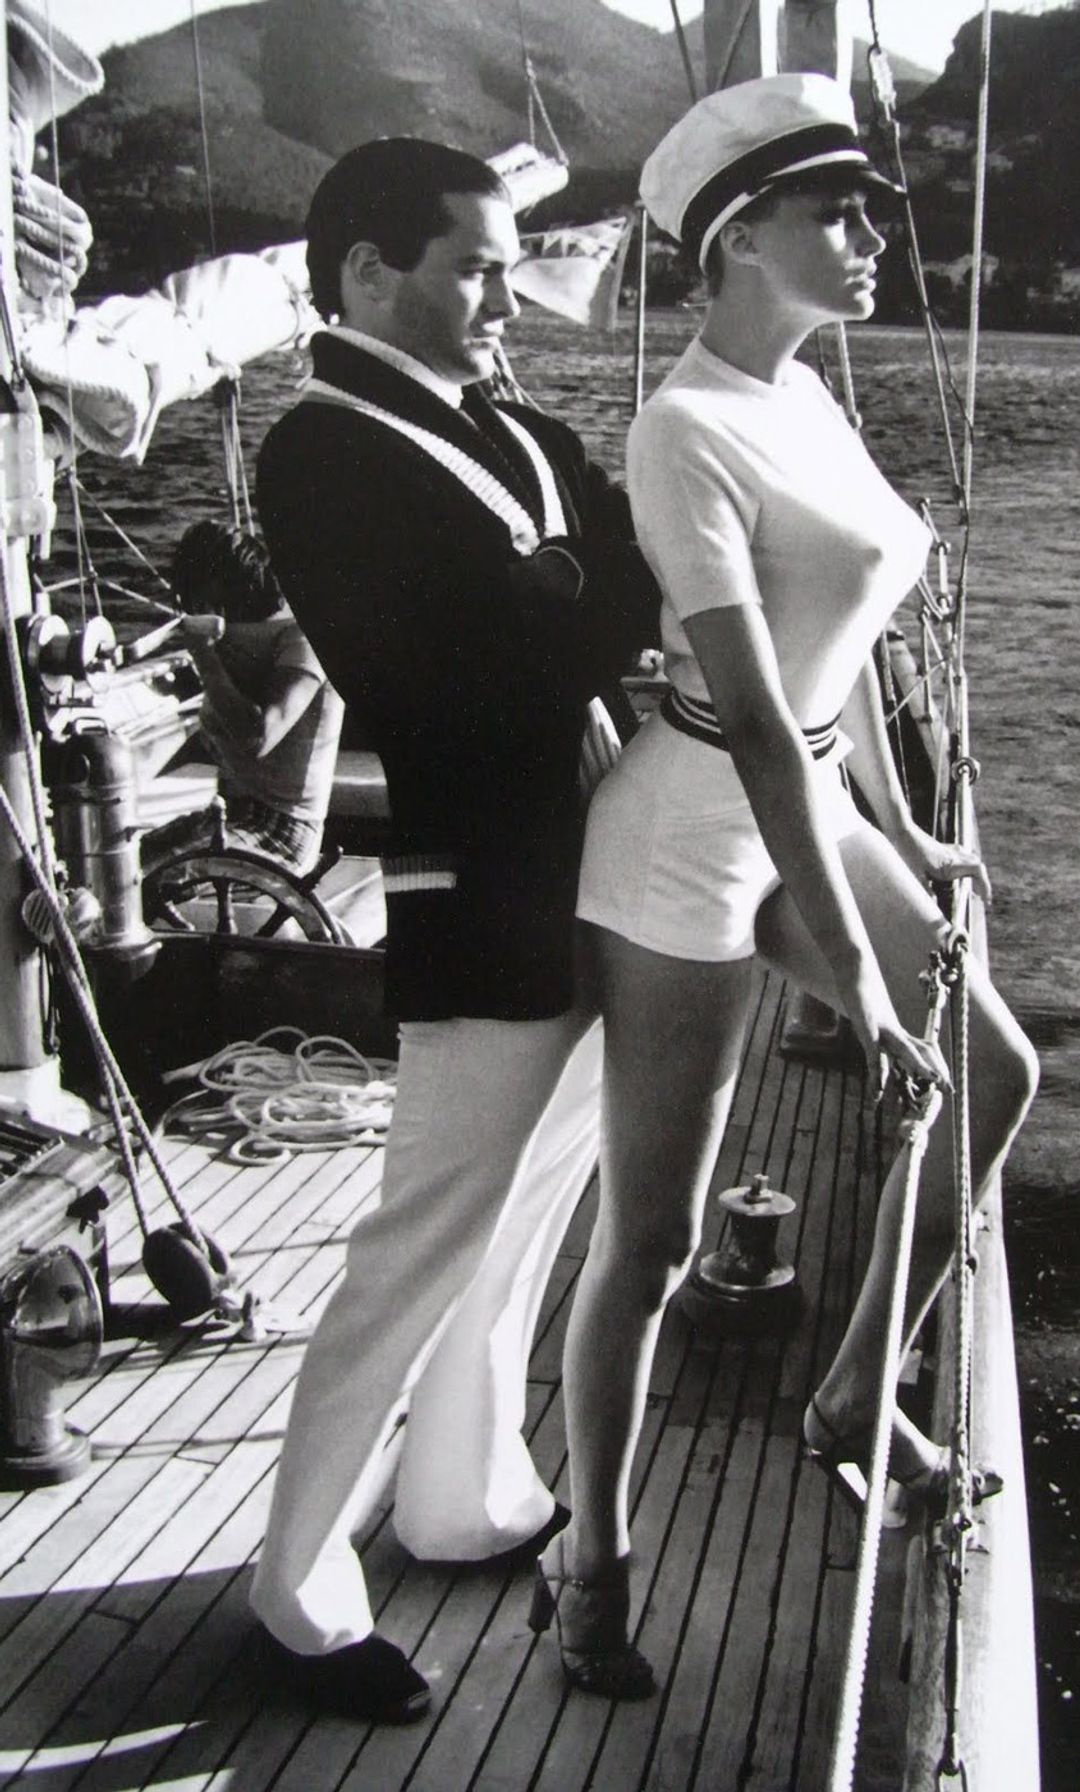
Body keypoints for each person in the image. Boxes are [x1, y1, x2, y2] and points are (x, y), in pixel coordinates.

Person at [536, 75, 1039, 1698]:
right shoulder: (681, 430)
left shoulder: (811, 394)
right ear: (740, 237)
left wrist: (908, 825)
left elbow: (854, 653)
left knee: (992, 1073)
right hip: (691, 830)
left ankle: (851, 1395)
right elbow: (753, 718)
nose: (874, 232)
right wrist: (870, 990)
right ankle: (596, 1560)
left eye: (870, 207)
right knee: (656, 1239)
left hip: (808, 796)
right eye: (840, 211)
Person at [246, 137, 659, 1723]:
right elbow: (430, 680)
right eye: (478, 268)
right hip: (478, 891)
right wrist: (576, 607)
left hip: (591, 867)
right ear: (369, 273)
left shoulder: (522, 430)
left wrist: (564, 605)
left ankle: (461, 1493)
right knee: (422, 1236)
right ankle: (296, 1587)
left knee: (532, 1208)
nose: (507, 298)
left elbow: (617, 583)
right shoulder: (320, 453)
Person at [169, 520, 343, 876]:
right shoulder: (241, 647)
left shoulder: (304, 640)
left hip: (282, 831)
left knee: (146, 879)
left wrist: (204, 655)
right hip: (230, 815)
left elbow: (260, 738)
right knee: (117, 863)